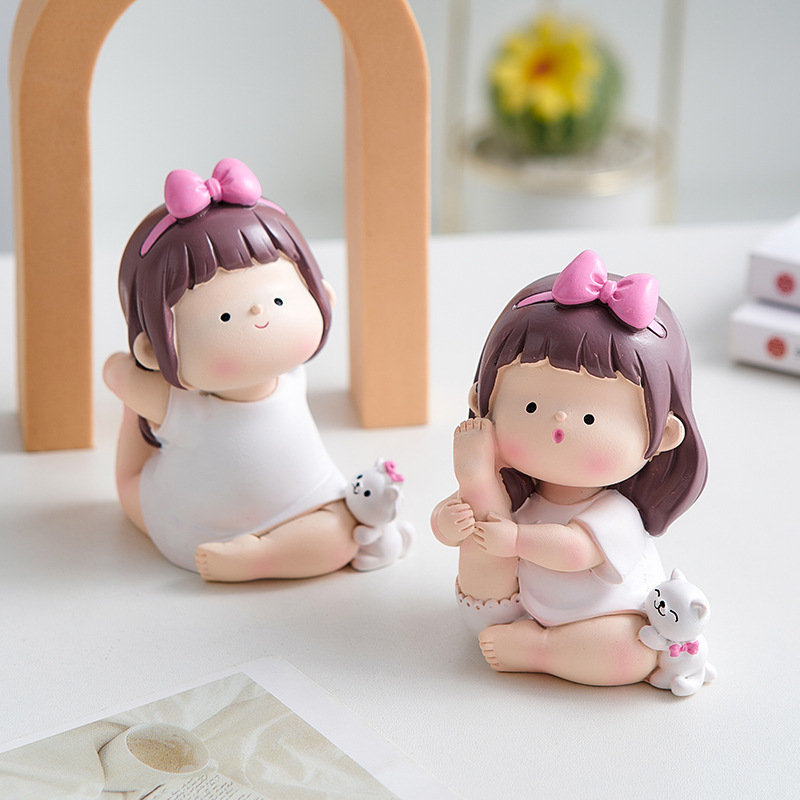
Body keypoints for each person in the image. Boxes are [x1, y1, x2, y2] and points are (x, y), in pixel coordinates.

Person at [431, 250, 708, 686]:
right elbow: (449, 530)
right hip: (513, 603)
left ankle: (542, 649)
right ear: (480, 401)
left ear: (664, 436)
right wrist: (450, 523)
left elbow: (576, 550)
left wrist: (517, 539)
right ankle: (475, 479)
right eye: (531, 406)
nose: (559, 420)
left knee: (630, 650)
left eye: (591, 418)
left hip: (599, 617)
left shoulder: (616, 513)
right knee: (482, 521)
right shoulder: (516, 492)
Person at [104, 158, 358, 580]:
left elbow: (114, 371)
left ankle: (262, 556)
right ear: (152, 349)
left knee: (344, 535)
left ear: (323, 297)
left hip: (305, 501)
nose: (260, 312)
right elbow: (115, 372)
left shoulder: (291, 379)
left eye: (279, 300)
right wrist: (137, 384)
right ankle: (244, 554)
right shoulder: (183, 407)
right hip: (202, 522)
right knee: (137, 490)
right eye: (223, 316)